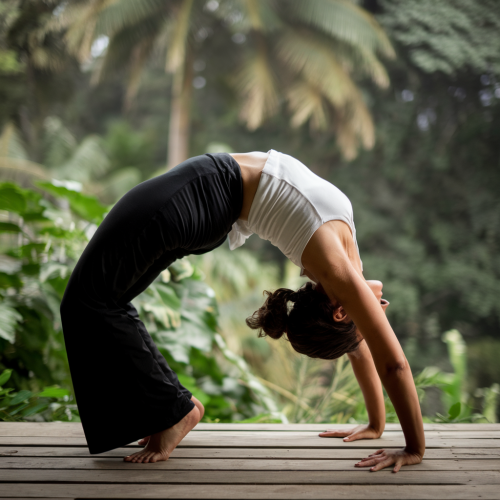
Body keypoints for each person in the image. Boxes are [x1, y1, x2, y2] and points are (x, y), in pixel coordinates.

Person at [60, 149, 425, 472]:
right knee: (102, 299)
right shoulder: (345, 270)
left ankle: (174, 412)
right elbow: (359, 348)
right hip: (207, 197)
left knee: (87, 300)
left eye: (367, 318)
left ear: (341, 313)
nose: (380, 310)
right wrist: (376, 426)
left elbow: (391, 363)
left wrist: (413, 449)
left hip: (201, 196)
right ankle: (171, 410)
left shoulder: (336, 271)